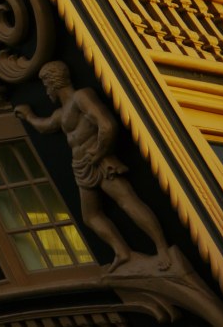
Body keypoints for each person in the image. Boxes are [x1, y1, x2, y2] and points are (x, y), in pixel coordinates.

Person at [14, 61, 170, 272]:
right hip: (81, 166)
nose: (46, 90)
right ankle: (122, 251)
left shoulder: (81, 97)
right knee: (90, 216)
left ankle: (162, 249)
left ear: (53, 82)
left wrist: (99, 152)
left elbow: (107, 125)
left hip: (99, 160)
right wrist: (29, 116)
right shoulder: (62, 113)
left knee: (128, 201)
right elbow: (46, 126)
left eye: (46, 84)